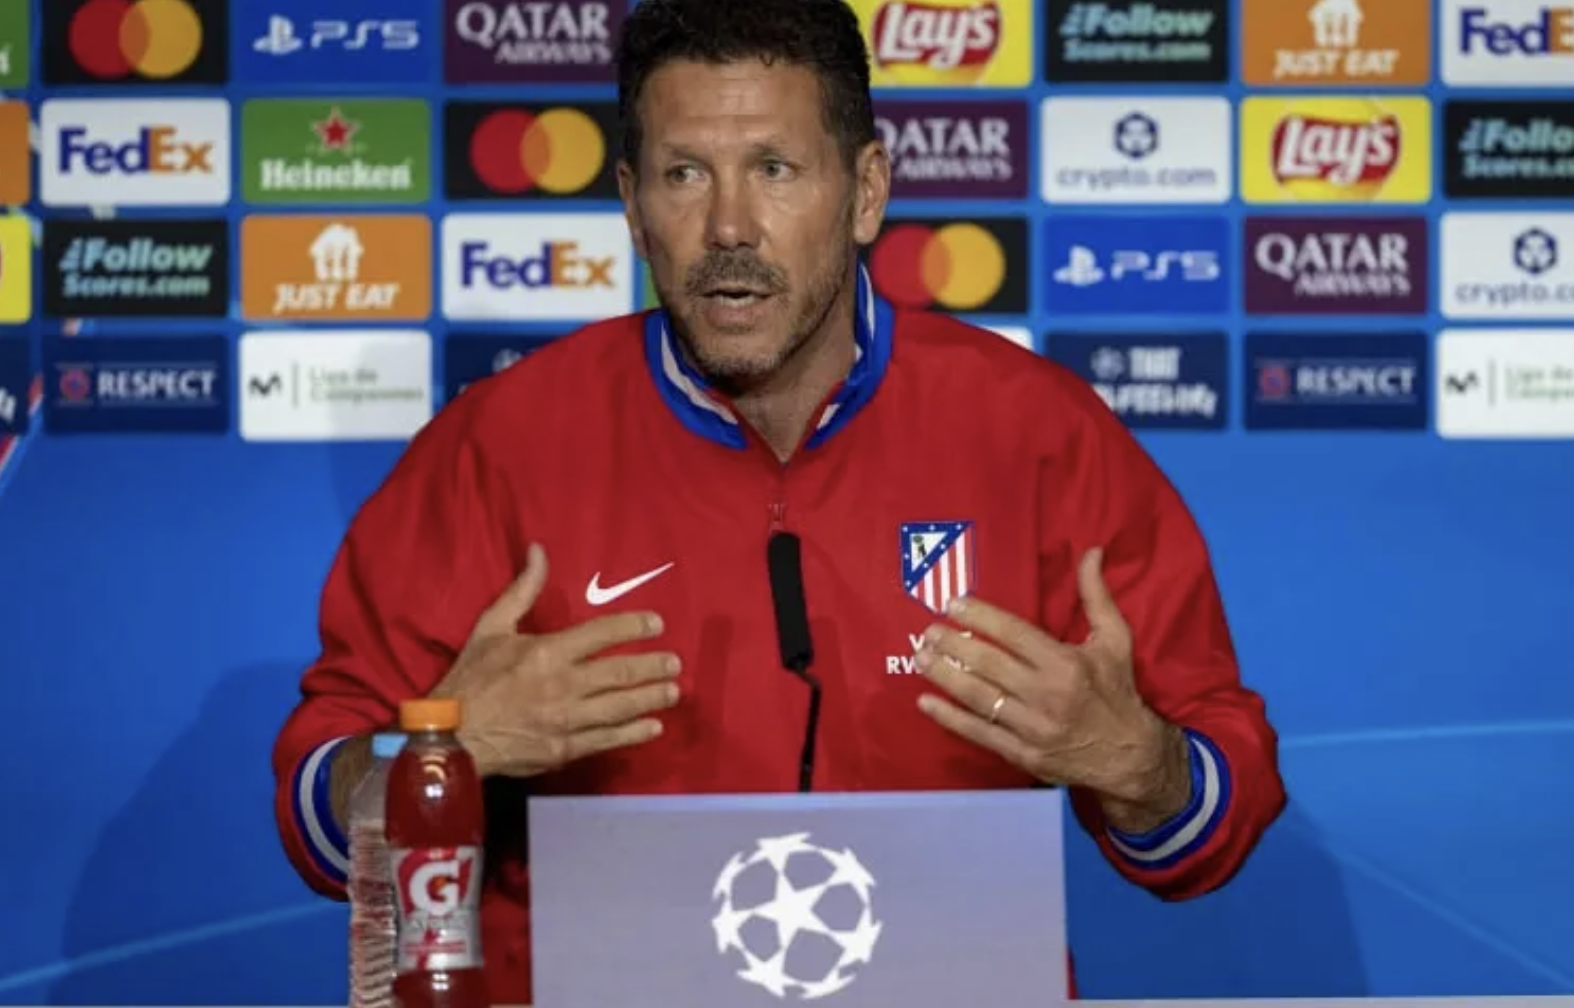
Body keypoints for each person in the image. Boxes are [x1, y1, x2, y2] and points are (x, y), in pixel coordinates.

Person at [271, 0, 1287, 1001]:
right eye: (683, 174)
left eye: (774, 169)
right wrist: (438, 758)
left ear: (865, 191)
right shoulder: (499, 444)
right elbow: (322, 817)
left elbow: (1215, 817)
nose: (727, 227)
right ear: (631, 204)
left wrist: (1141, 767)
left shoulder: (1037, 433)